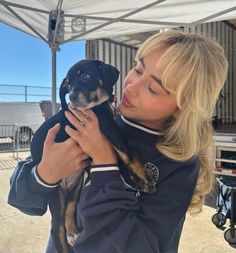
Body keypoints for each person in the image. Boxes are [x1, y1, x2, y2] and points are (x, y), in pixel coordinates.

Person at [8, 30, 228, 253]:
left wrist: (105, 163)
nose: (131, 86)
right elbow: (22, 200)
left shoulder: (178, 163)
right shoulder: (90, 121)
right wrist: (45, 173)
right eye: (138, 69)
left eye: (153, 88)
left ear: (184, 109)